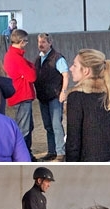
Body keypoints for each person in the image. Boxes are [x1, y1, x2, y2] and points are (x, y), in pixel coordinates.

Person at [66, 49, 110, 162]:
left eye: (75, 65)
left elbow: (73, 141)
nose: (71, 68)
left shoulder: (76, 97)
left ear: (86, 70)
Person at [3, 29, 37, 161]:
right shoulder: (16, 57)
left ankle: (26, 153)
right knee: (24, 129)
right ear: (22, 42)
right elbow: (32, 76)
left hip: (19, 96)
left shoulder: (11, 55)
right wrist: (31, 68)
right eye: (26, 41)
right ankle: (22, 155)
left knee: (27, 126)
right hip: (22, 95)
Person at [34, 33, 68, 162]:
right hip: (43, 96)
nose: (41, 44)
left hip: (54, 96)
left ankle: (60, 152)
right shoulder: (38, 59)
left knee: (56, 125)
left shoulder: (57, 58)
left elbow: (65, 75)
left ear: (50, 43)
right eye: (39, 42)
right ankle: (52, 151)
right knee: (48, 126)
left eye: (43, 42)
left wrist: (63, 91)